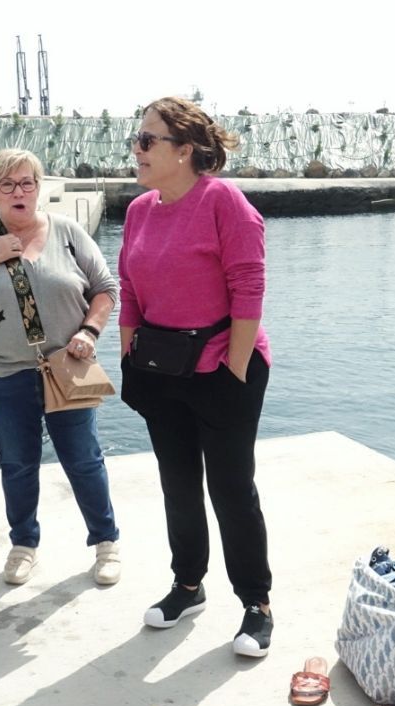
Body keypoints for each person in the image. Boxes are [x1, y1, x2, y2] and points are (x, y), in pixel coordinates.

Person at [117, 97, 273, 658]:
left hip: (223, 367)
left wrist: (231, 367)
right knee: (177, 482)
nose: (136, 150)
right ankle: (188, 585)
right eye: (137, 139)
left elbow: (248, 287)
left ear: (185, 151)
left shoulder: (223, 202)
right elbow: (129, 288)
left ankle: (256, 604)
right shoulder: (140, 210)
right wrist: (128, 352)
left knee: (231, 489)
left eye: (147, 141)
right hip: (161, 368)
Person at [0, 149, 121, 586]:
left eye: (27, 183)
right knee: (18, 462)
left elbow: (106, 288)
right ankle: (24, 545)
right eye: (8, 184)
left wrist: (90, 332)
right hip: (2, 374)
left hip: (66, 366)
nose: (19, 192)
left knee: (84, 460)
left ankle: (106, 542)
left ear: (39, 188)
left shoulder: (68, 233)